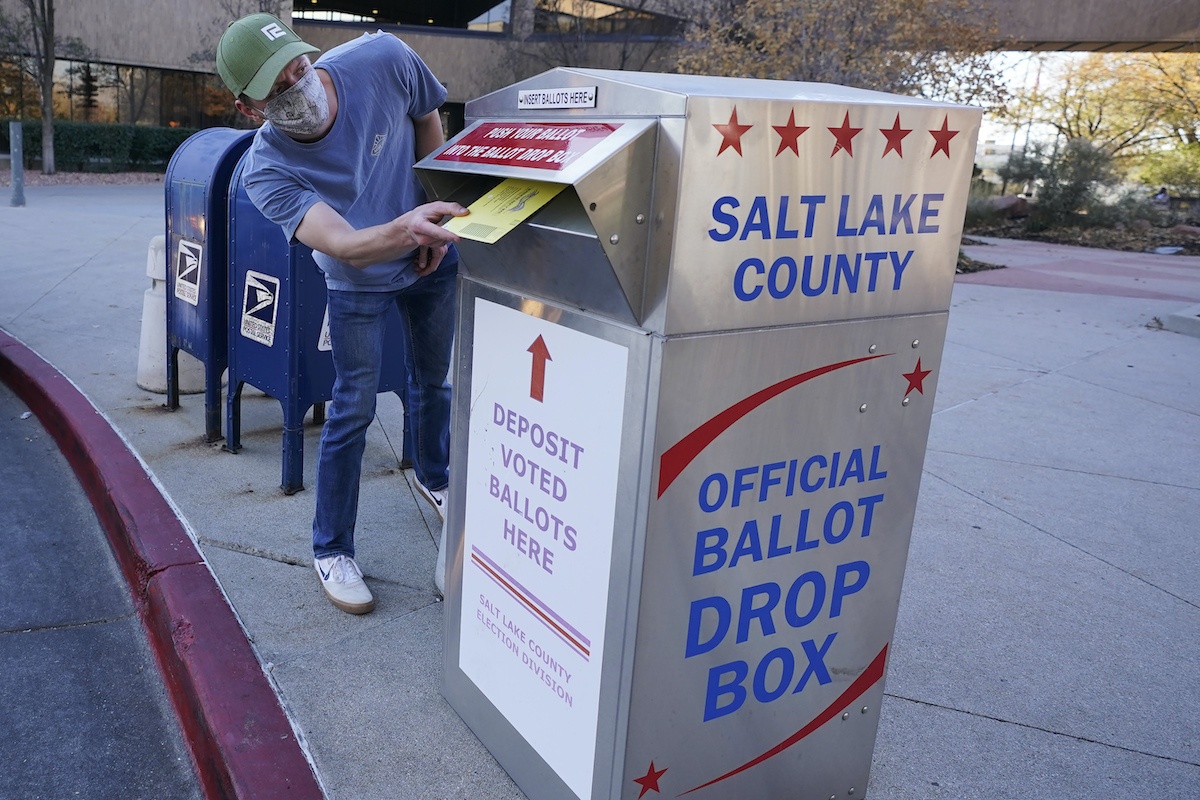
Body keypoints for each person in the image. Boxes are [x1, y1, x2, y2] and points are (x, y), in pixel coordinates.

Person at [216, 13, 466, 614]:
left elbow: (427, 116)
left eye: (298, 68)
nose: (298, 88)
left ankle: (437, 478)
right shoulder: (266, 169)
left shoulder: (382, 57)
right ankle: (332, 548)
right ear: (250, 108)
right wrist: (409, 230)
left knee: (433, 382)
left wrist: (432, 213)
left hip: (432, 249)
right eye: (276, 89)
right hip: (358, 279)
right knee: (352, 407)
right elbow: (346, 244)